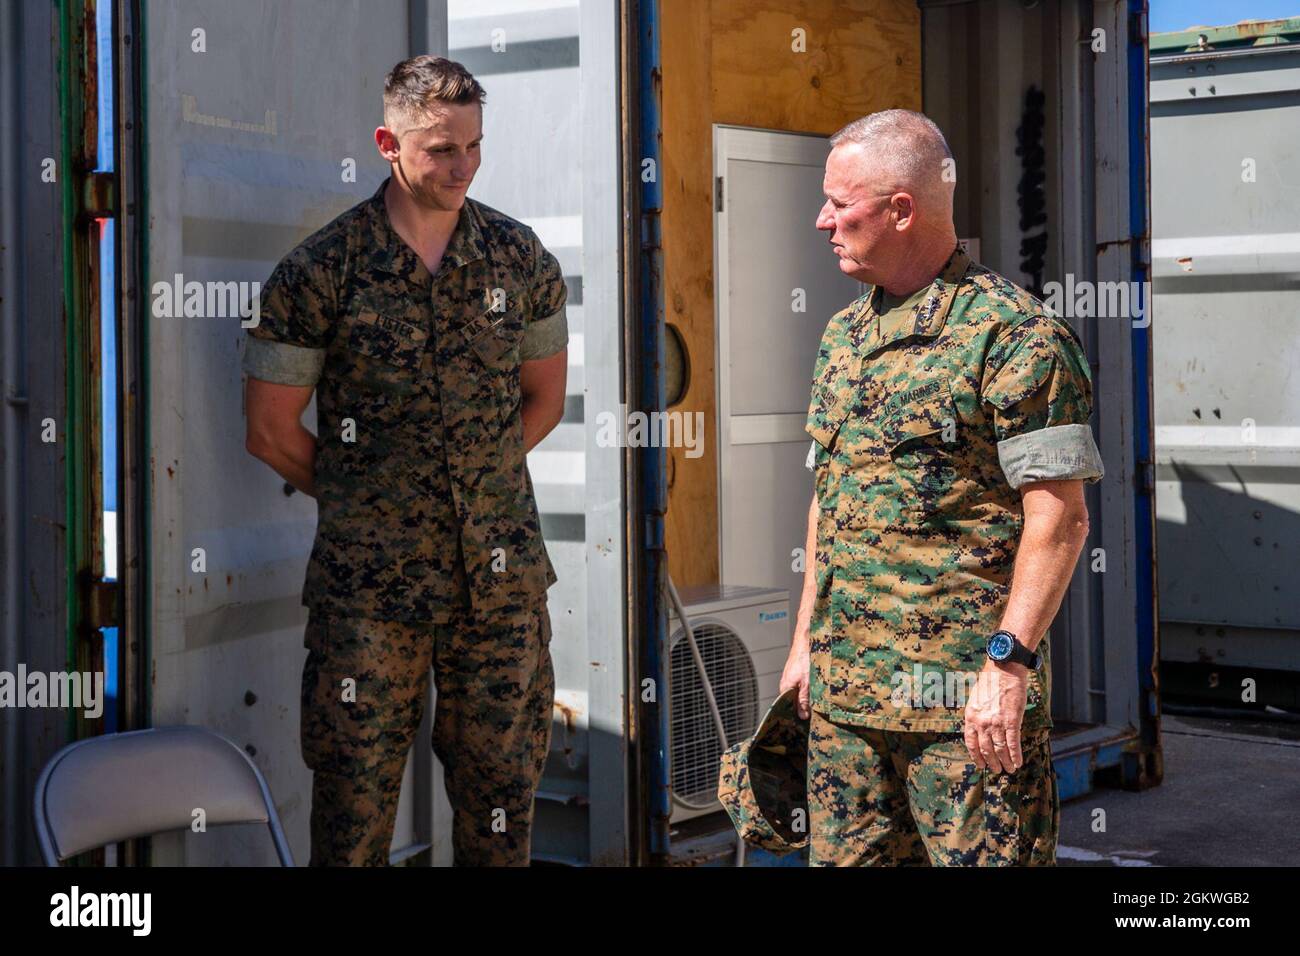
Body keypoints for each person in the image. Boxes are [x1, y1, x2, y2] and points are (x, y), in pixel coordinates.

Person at [241, 55, 568, 866]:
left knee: (500, 811)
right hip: (368, 596)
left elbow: (543, 403)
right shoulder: (319, 272)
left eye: (474, 147)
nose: (462, 167)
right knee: (352, 812)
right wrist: (371, 501)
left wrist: (467, 491)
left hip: (497, 589)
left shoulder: (520, 261)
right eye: (439, 149)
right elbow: (271, 430)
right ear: (389, 143)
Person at [779, 109, 1104, 866]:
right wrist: (803, 645)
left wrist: (1007, 664)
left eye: (840, 203)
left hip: (962, 713)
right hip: (846, 705)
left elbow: (1060, 521)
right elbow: (832, 497)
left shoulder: (1014, 336)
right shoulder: (843, 336)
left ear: (901, 210)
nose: (822, 220)